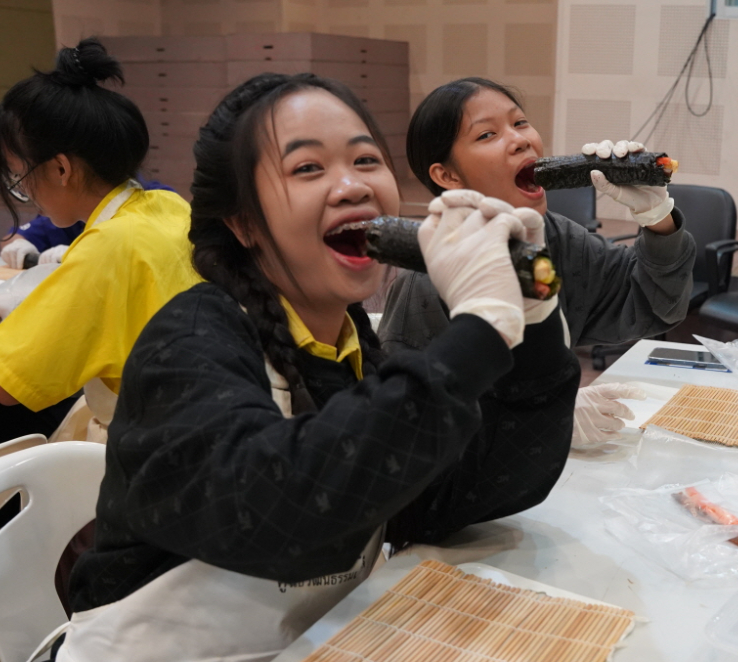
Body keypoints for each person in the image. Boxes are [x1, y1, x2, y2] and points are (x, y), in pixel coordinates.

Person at [59, 73, 578, 661]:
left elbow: (468, 494)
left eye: (365, 159)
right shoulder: (190, 341)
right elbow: (280, 511)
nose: (351, 185)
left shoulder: (353, 346)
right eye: (308, 169)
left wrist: (533, 325)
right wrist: (476, 332)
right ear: (243, 223)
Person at [379, 77, 696, 447]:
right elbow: (405, 428)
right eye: (487, 135)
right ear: (447, 175)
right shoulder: (426, 282)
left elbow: (654, 306)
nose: (520, 140)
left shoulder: (559, 239)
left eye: (519, 122)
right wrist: (544, 415)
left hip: (551, 473)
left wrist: (656, 215)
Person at [0, 38, 198, 440]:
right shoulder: (167, 204)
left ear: (60, 169)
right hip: (199, 408)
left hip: (158, 442)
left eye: (21, 179)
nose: (28, 196)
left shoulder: (109, 246)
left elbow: (9, 384)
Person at [1, 177, 176, 269]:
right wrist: (19, 246)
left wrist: (85, 257)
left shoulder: (162, 202)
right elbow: (16, 237)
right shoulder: (72, 208)